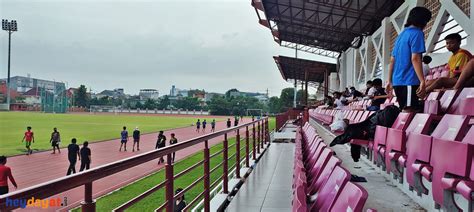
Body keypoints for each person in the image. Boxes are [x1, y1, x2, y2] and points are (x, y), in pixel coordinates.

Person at [387, 6, 432, 112]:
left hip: (398, 81)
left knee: (406, 111)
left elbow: (392, 60)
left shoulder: (401, 36)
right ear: (423, 20)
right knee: (409, 112)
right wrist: (422, 81)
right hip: (408, 80)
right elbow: (415, 58)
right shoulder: (417, 33)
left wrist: (389, 81)